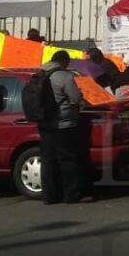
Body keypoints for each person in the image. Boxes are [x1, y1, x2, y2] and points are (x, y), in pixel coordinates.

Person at [38, 50, 89, 204]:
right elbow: (75, 98)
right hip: (63, 123)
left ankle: (49, 196)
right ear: (64, 61)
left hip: (44, 123)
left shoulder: (38, 73)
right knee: (67, 159)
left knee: (47, 160)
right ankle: (71, 195)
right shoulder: (65, 76)